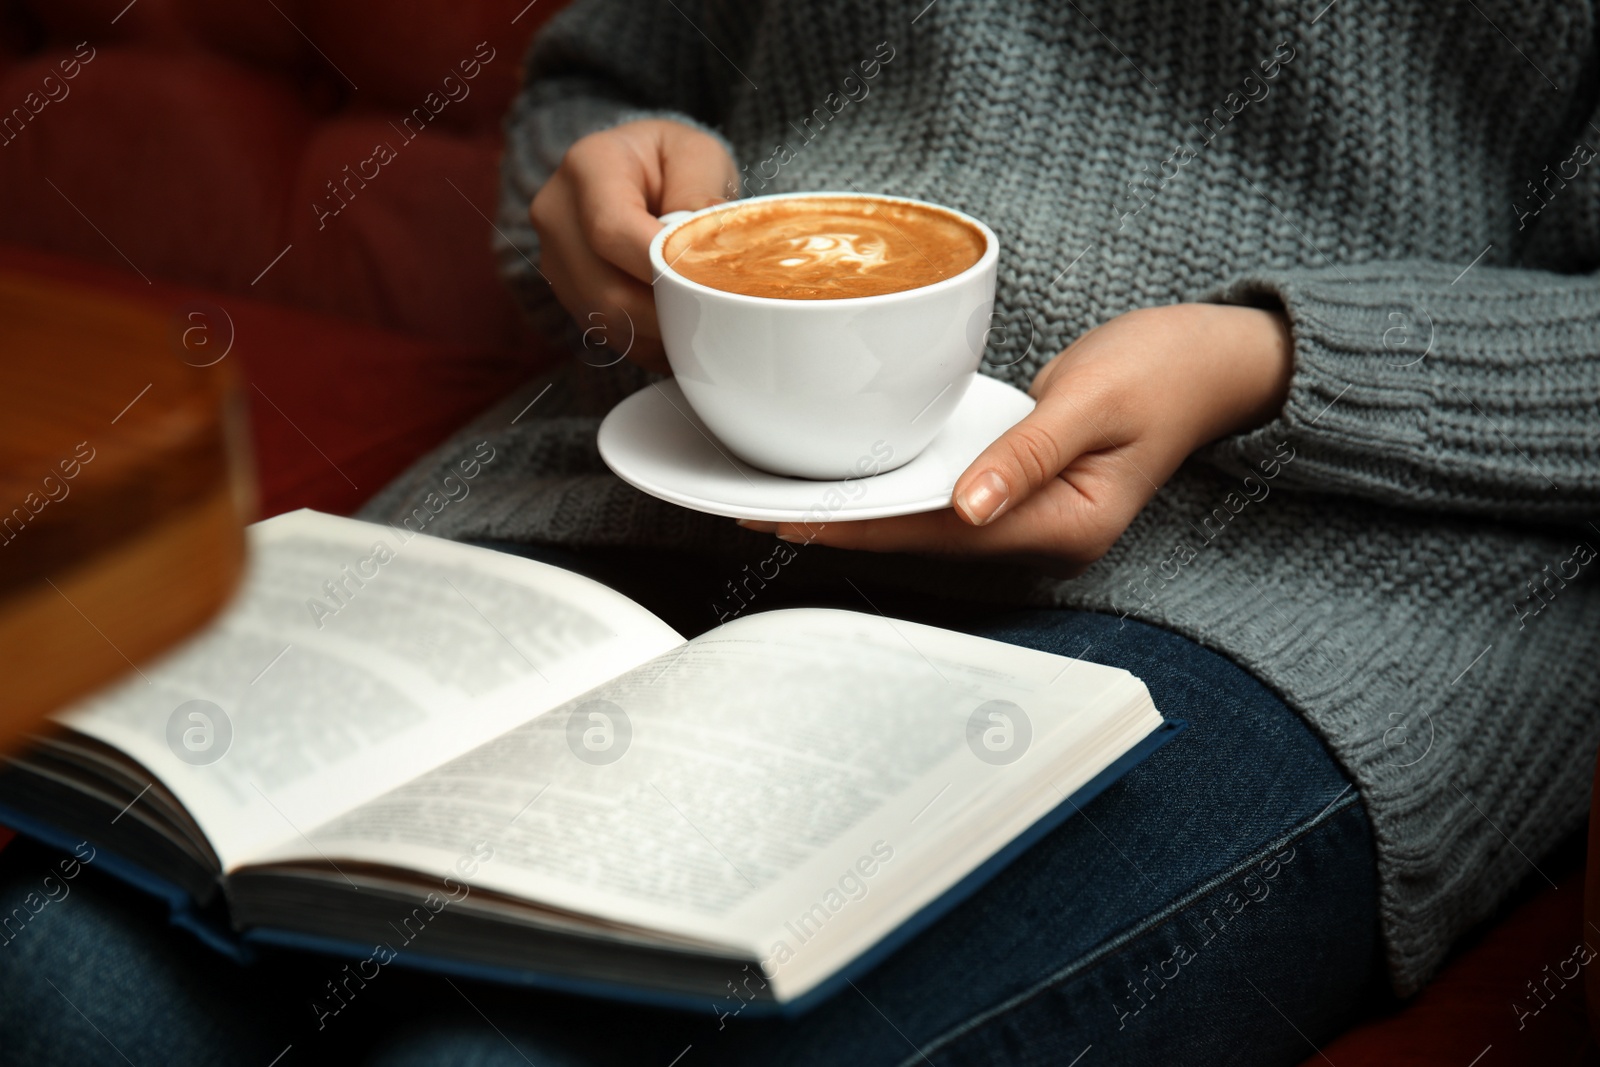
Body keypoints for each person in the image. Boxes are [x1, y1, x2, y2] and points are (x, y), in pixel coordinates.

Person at [4, 0, 1598, 1063]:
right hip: (662, 456)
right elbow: (609, 81)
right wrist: (593, 194)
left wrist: (1274, 367)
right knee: (63, 985)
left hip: (1308, 552)